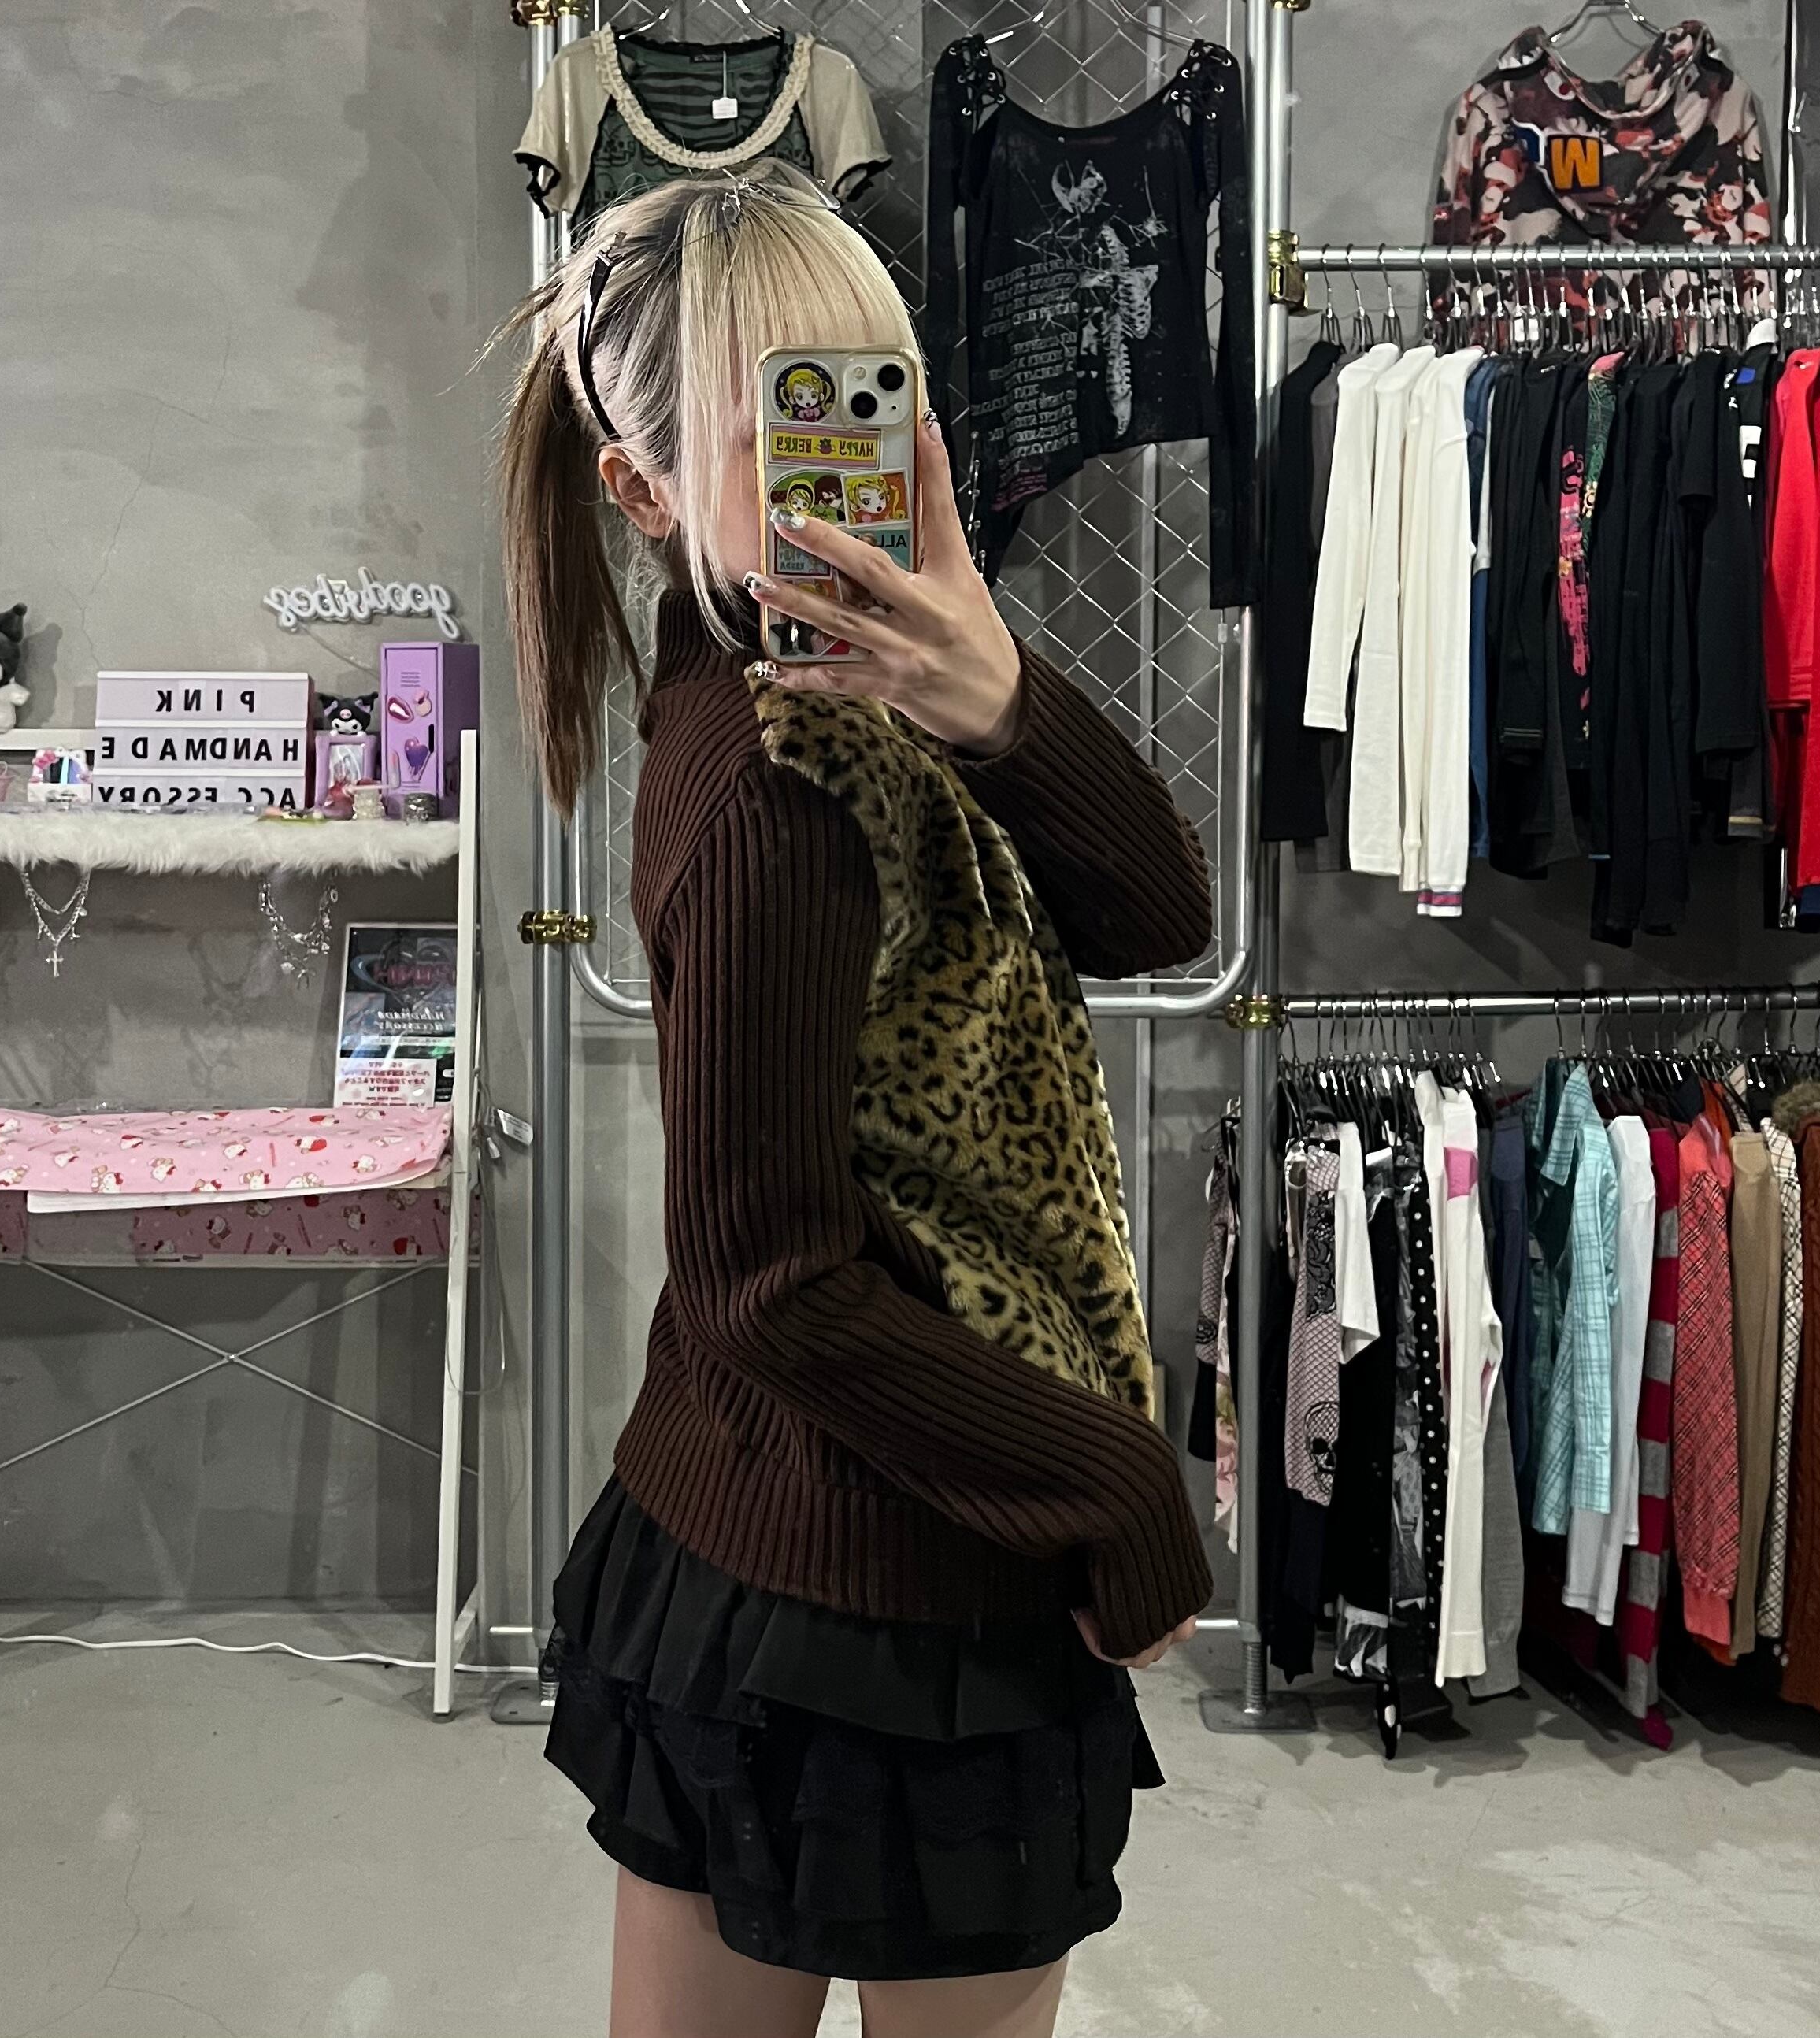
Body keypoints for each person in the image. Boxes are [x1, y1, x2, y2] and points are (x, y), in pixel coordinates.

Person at [495, 169, 1214, 2038]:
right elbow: (771, 1278)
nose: (852, 469)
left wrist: (1002, 695)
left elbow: (1158, 916)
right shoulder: (777, 773)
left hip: (789, 1521)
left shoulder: (872, 689)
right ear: (645, 492)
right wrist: (1114, 1481)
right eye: (783, 423)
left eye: (871, 397)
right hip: (872, 1581)